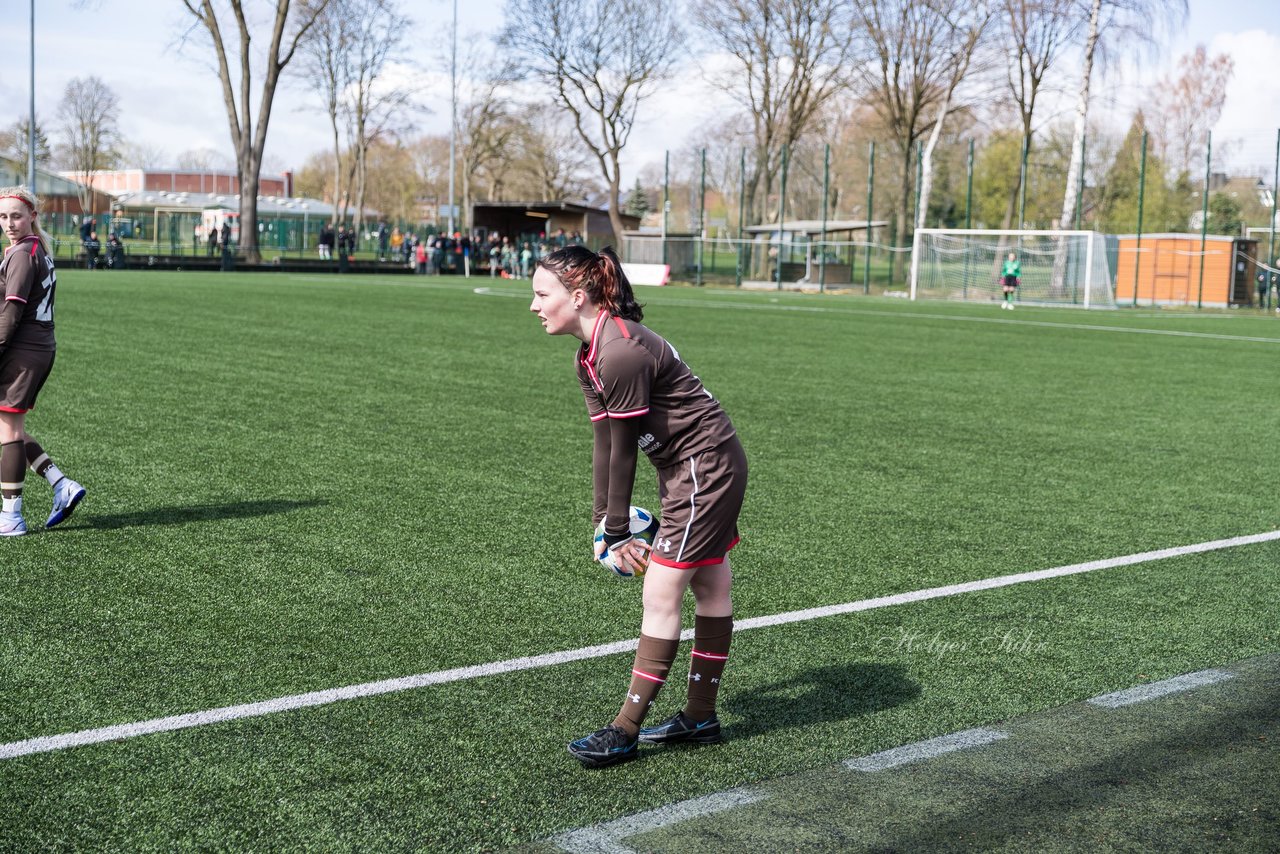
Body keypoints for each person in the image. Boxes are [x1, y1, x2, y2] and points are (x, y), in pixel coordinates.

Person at [530, 245, 747, 769]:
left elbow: (626, 448)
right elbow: (605, 441)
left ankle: (625, 729)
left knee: (661, 591)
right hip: (687, 470)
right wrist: (603, 520)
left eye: (542, 294)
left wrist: (621, 526)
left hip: (704, 467)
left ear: (577, 297)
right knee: (711, 582)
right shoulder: (590, 353)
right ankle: (699, 717)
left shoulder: (620, 351)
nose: (534, 306)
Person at [0, 187, 87, 536]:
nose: (9, 223)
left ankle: (11, 516)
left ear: (33, 216)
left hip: (22, 350)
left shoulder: (24, 253)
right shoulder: (33, 250)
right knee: (8, 427)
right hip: (34, 348)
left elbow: (12, 312)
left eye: (16, 216)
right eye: (3, 217)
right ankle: (60, 484)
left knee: (8, 430)